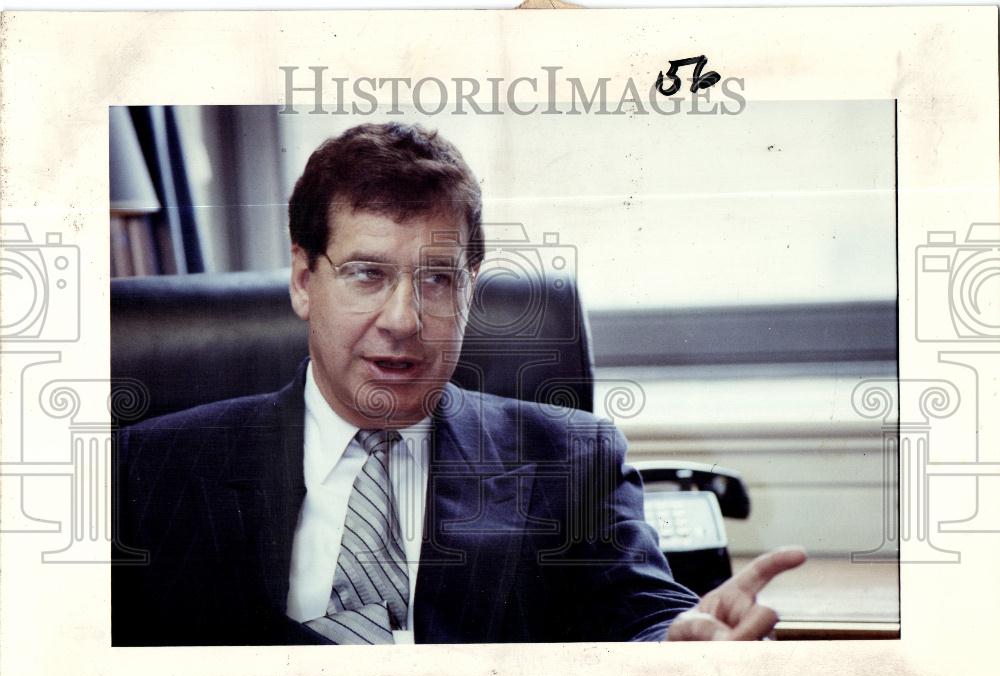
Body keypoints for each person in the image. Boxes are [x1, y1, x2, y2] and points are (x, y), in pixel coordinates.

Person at [111, 122, 804, 646]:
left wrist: (682, 649)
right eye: (366, 274)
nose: (404, 320)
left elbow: (645, 618)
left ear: (470, 290)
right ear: (303, 280)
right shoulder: (154, 467)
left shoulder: (570, 459)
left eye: (437, 280)